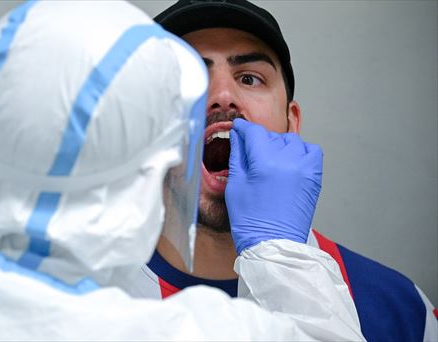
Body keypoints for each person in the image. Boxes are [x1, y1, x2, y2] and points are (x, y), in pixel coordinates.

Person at [0, 1, 367, 341]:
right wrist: (284, 256)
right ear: (155, 147)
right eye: (190, 88)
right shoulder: (191, 330)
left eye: (249, 78)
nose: (221, 98)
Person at [123, 1, 438, 341]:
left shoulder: (404, 312)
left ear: (291, 124)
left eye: (249, 78)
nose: (223, 95)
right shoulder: (81, 306)